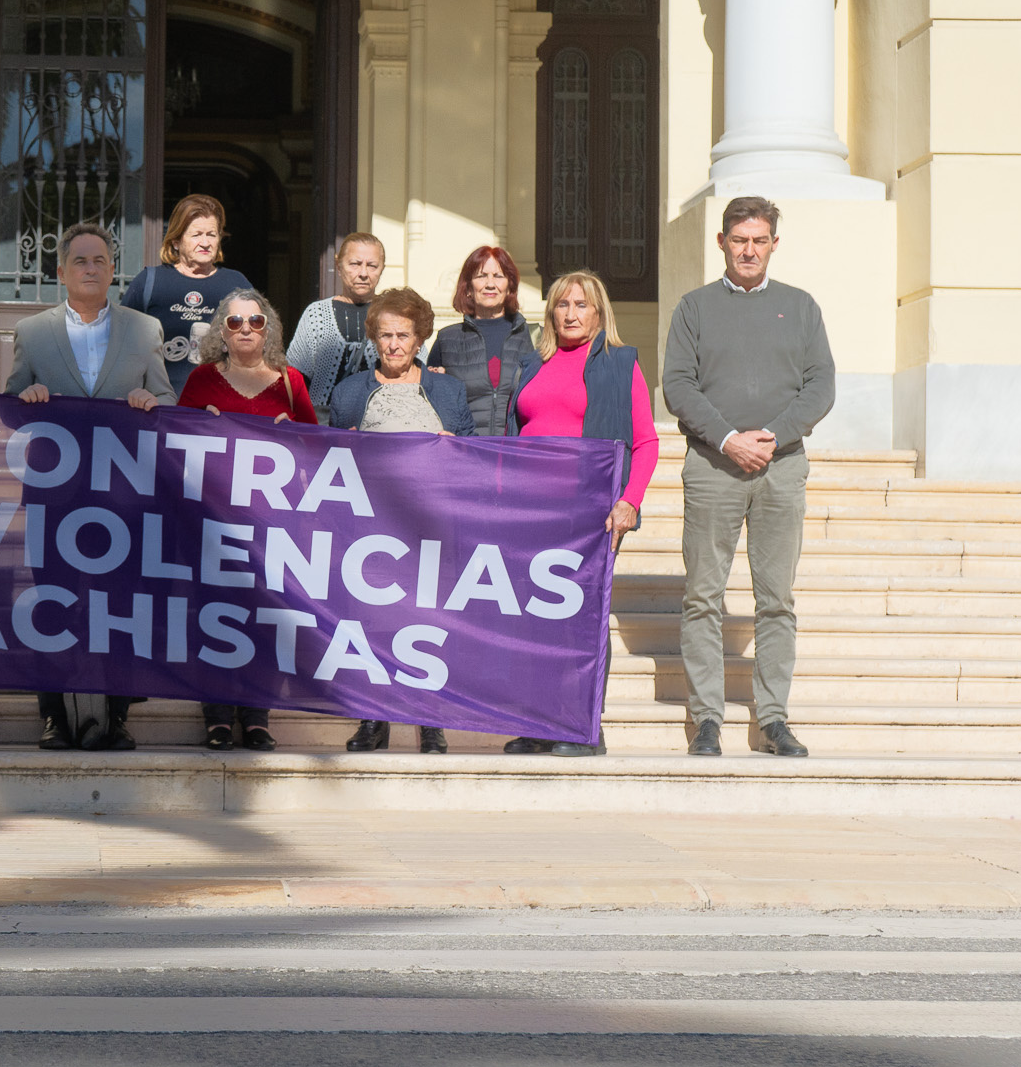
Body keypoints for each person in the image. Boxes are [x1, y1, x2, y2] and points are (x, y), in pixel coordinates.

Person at [662, 197, 835, 759]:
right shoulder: (693, 308)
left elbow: (820, 386)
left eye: (759, 240)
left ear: (774, 245)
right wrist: (729, 438)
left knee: (776, 600)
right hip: (713, 466)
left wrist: (773, 436)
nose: (749, 250)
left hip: (781, 468)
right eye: (740, 240)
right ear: (721, 242)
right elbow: (679, 386)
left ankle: (774, 720)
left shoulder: (801, 307)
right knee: (703, 596)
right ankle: (707, 719)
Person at [8, 220, 176, 752]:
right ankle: (56, 716)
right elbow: (10, 405)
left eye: (99, 261)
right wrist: (27, 396)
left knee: (119, 604)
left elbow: (169, 401)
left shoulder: (144, 330)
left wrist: (152, 404)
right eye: (79, 261)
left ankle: (116, 716)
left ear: (111, 271)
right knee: (54, 601)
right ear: (61, 273)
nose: (89, 268)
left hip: (123, 492)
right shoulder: (32, 332)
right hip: (53, 490)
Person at [509, 269, 658, 757]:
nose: (571, 314)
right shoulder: (533, 364)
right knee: (533, 618)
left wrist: (629, 500)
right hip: (530, 512)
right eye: (562, 305)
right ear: (551, 312)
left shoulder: (620, 363)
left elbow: (646, 441)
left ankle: (582, 728)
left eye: (582, 305)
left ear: (599, 313)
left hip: (590, 512)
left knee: (580, 617)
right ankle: (538, 722)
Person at [324, 287, 473, 757]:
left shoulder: (447, 389)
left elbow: (476, 456)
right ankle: (374, 720)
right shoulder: (349, 393)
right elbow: (328, 463)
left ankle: (430, 722)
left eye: (402, 335)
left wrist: (457, 446)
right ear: (374, 338)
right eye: (385, 335)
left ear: (420, 338)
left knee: (428, 621)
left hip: (433, 526)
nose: (393, 345)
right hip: (371, 529)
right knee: (372, 623)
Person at [178, 288, 316, 751]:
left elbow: (319, 450)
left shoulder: (291, 381)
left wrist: (292, 437)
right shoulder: (201, 379)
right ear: (222, 330)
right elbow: (173, 444)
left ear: (269, 328)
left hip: (274, 522)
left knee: (265, 614)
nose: (245, 331)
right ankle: (217, 715)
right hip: (213, 519)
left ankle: (257, 715)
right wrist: (201, 425)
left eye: (255, 322)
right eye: (235, 323)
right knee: (213, 614)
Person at [120, 194, 255, 399]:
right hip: (156, 407)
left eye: (211, 234)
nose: (205, 243)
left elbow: (261, 345)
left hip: (220, 408)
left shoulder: (237, 285)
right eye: (196, 235)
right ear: (175, 240)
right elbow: (120, 343)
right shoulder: (150, 282)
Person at [426, 245, 542, 436]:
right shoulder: (447, 339)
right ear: (468, 287)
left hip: (517, 454)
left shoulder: (535, 337)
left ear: (510, 286)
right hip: (466, 452)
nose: (490, 284)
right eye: (481, 276)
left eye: (498, 276)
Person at [288, 232, 387, 421]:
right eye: (355, 264)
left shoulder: (395, 316)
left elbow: (417, 372)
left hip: (378, 425)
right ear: (339, 266)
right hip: (323, 426)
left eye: (372, 265)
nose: (363, 273)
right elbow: (294, 377)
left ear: (382, 268)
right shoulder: (316, 314)